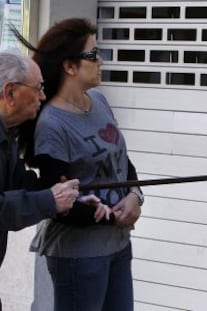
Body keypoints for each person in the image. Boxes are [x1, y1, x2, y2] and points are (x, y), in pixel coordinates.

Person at [14, 18, 143, 311]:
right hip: (79, 256)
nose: (101, 61)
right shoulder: (51, 124)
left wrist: (135, 195)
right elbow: (61, 202)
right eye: (93, 55)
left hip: (119, 246)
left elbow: (121, 161)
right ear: (69, 66)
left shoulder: (98, 100)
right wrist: (115, 215)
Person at [0, 51, 82, 310]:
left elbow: (19, 184)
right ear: (10, 93)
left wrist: (67, 192)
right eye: (38, 89)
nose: (43, 97)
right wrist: (49, 200)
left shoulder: (6, 137)